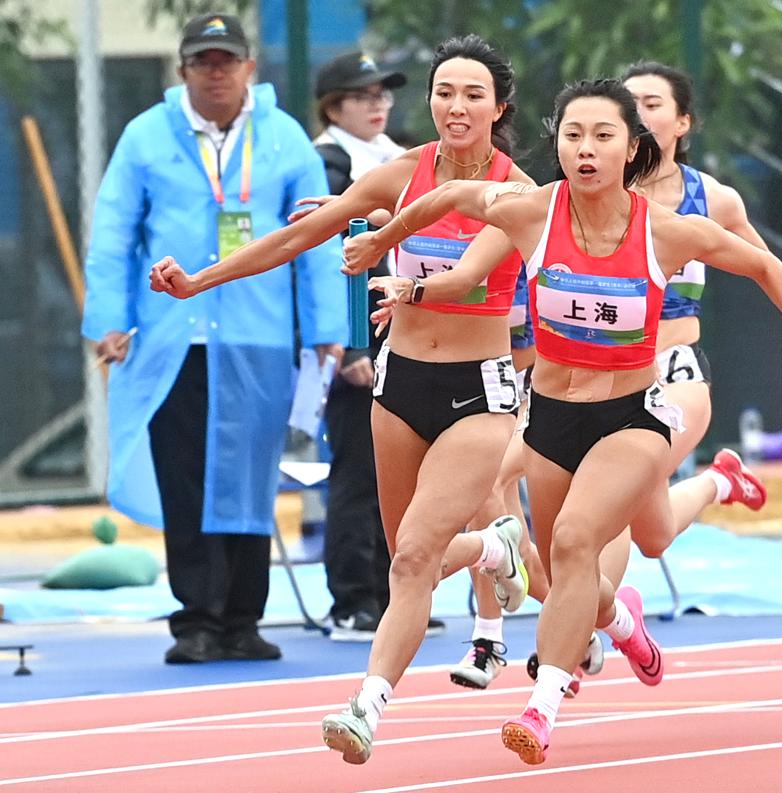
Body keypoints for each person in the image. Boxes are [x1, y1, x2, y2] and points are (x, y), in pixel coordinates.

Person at [344, 78, 782, 764]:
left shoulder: (668, 230)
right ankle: (624, 612)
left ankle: (543, 704)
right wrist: (385, 235)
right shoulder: (531, 212)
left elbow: (762, 264)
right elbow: (444, 197)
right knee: (592, 568)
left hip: (632, 416)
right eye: (573, 136)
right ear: (557, 143)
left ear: (632, 148)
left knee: (576, 538)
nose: (586, 150)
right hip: (552, 419)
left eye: (603, 136)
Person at [150, 35, 537, 761]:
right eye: (444, 91)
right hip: (400, 386)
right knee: (406, 557)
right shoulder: (401, 172)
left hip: (478, 393)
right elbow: (291, 241)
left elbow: (468, 271)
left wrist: (394, 259)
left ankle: (366, 705)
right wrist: (199, 281)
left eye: (473, 94)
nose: (455, 106)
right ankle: (495, 547)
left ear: (499, 107)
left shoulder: (516, 194)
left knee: (412, 558)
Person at [82, 13, 347, 664]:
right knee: (186, 476)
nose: (217, 71)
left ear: (250, 67)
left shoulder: (284, 139)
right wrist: (109, 319)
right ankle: (196, 618)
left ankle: (243, 618)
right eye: (204, 61)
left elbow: (317, 239)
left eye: (228, 60)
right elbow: (114, 232)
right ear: (183, 71)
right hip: (175, 335)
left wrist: (326, 331)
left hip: (257, 335)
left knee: (251, 474)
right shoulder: (146, 137)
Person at [309, 50, 409, 641]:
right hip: (356, 334)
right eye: (362, 95)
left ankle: (392, 593)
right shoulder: (326, 164)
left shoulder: (399, 160)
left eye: (383, 94)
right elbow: (325, 257)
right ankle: (352, 599)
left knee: (399, 472)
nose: (378, 104)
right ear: (333, 107)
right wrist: (348, 347)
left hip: (404, 328)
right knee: (356, 470)